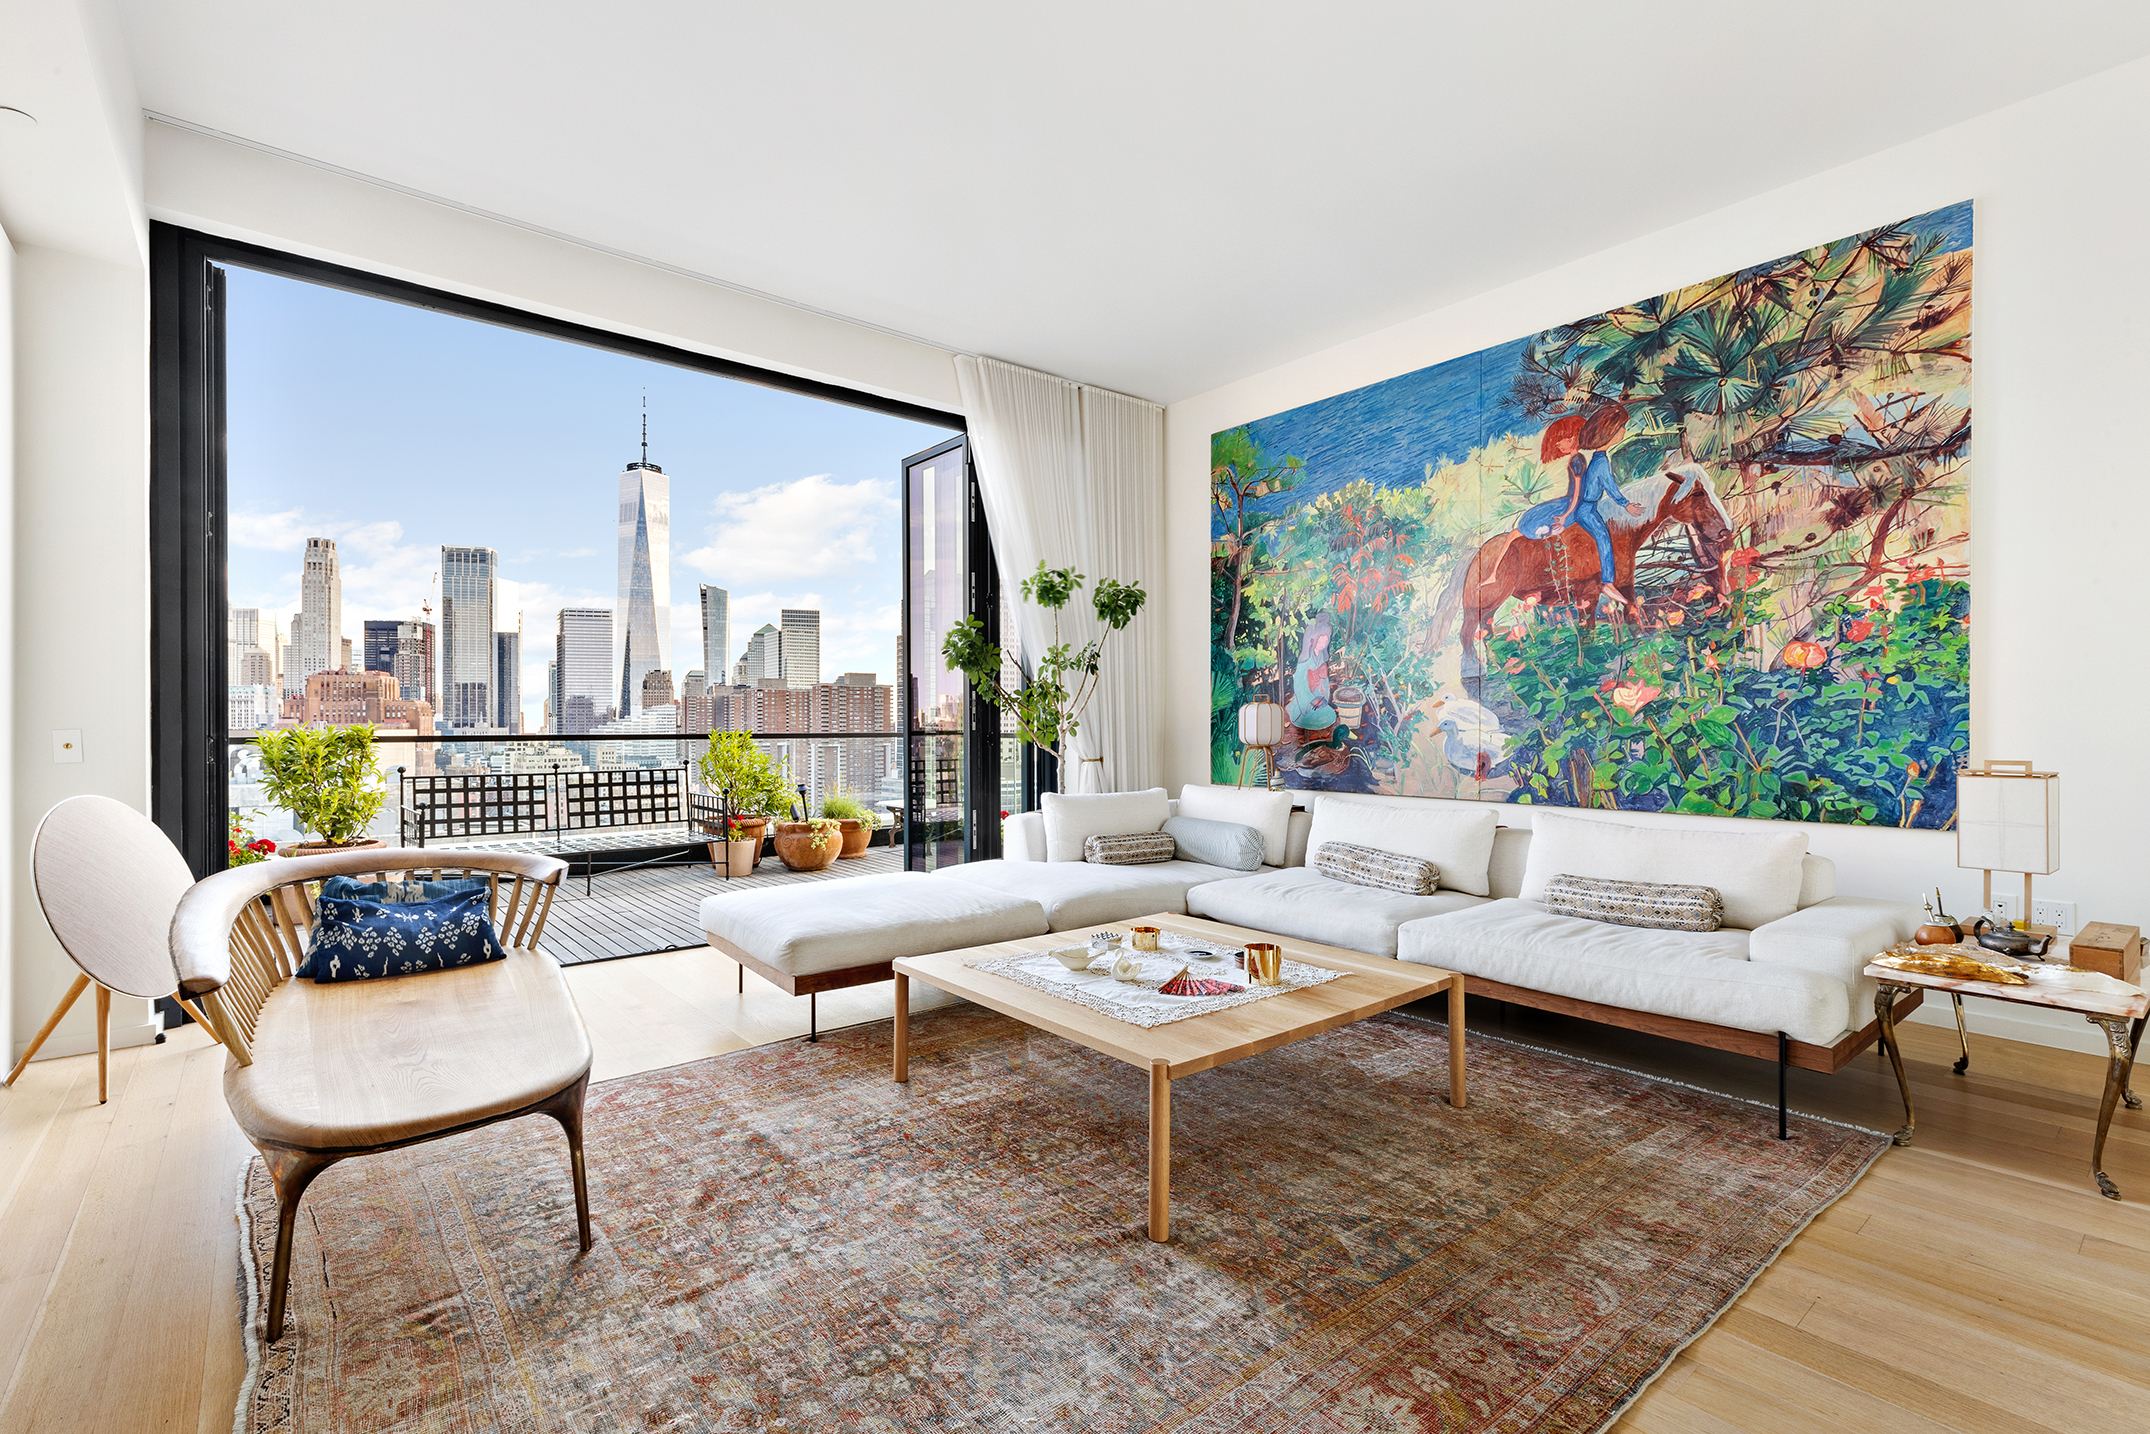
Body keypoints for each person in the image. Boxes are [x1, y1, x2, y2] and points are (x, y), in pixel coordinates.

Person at [1516, 404, 1642, 608]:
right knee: (1602, 536)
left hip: (1586, 506)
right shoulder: (1599, 462)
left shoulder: (1596, 459)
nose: (1623, 432)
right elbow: (1609, 486)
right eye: (1620, 428)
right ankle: (1608, 583)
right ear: (1609, 433)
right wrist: (1625, 504)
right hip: (1586, 508)